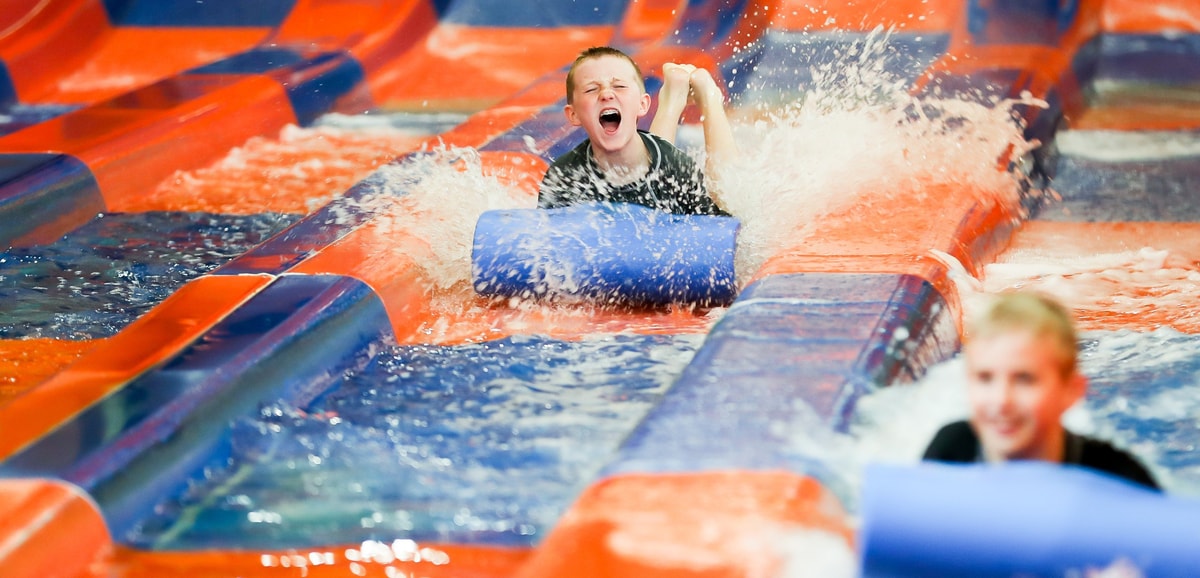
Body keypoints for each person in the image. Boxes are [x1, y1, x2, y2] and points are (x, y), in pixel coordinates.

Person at [923, 291, 1159, 490]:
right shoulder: (951, 452)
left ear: (1071, 391)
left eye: (1024, 379)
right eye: (985, 378)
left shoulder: (1116, 481)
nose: (1001, 400)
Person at [537, 46, 736, 216]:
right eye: (591, 89)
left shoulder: (677, 167)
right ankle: (672, 96)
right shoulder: (565, 175)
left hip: (663, 165)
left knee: (726, 200)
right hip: (653, 163)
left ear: (642, 105)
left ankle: (709, 99)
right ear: (574, 115)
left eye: (619, 86)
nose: (606, 93)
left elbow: (721, 227)